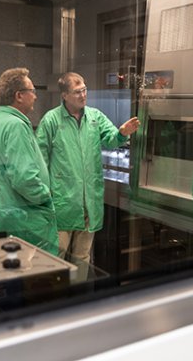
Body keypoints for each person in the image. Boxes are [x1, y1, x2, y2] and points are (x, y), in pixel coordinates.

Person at [36, 72, 140, 270]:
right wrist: (44, 193)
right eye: (77, 92)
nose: (83, 95)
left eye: (84, 90)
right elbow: (39, 159)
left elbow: (110, 137)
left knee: (82, 257)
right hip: (62, 203)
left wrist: (121, 133)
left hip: (88, 203)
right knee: (56, 257)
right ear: (64, 95)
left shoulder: (95, 117)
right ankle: (56, 299)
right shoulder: (51, 121)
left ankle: (80, 297)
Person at [0, 67, 58, 255]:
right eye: (32, 91)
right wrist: (45, 196)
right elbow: (24, 179)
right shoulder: (16, 126)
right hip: (24, 221)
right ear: (19, 96)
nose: (35, 96)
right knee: (36, 278)